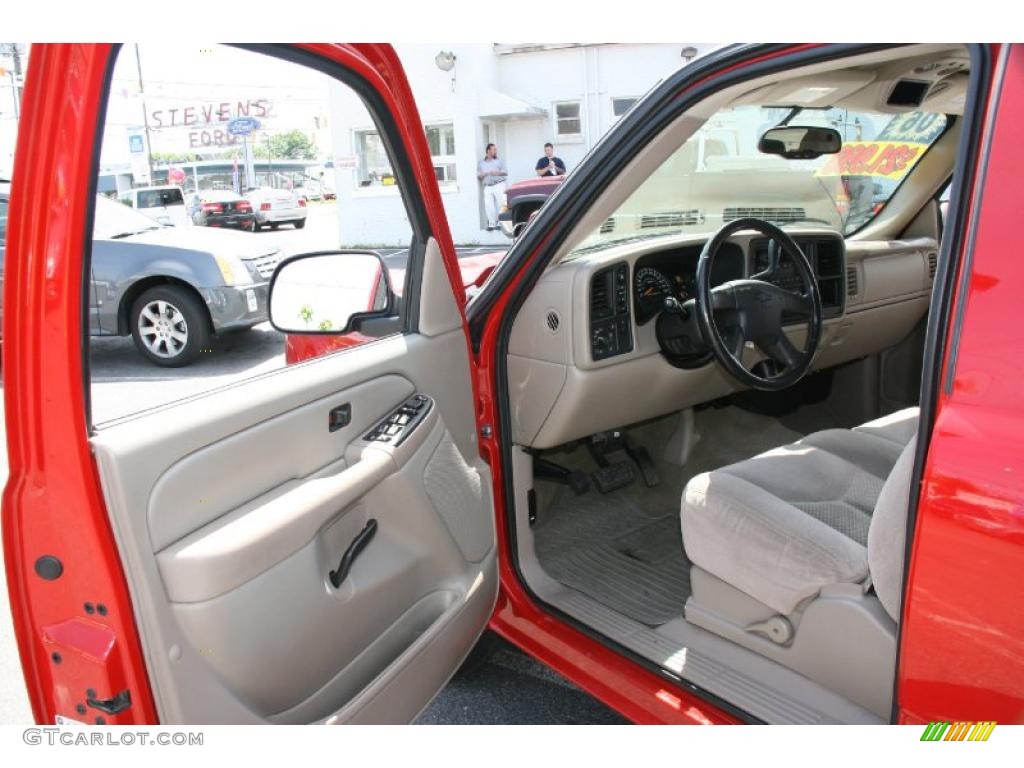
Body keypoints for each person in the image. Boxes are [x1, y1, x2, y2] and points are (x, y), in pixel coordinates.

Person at [477, 143, 508, 231]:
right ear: (488, 151)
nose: (495, 151)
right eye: (494, 149)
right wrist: (482, 175)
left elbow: (506, 172)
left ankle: (500, 223)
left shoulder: (499, 161)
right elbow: (479, 176)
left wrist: (497, 173)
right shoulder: (481, 163)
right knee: (488, 205)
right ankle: (491, 224)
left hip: (499, 184)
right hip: (488, 186)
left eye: (495, 149)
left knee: (501, 204)